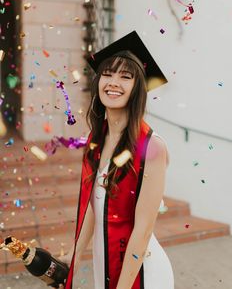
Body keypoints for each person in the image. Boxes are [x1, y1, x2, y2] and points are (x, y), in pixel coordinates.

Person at [53, 31, 174, 289]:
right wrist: (73, 255)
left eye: (125, 76)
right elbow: (90, 209)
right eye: (107, 74)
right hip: (105, 264)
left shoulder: (151, 147)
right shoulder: (95, 141)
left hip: (140, 273)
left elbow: (142, 230)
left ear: (137, 88)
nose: (113, 82)